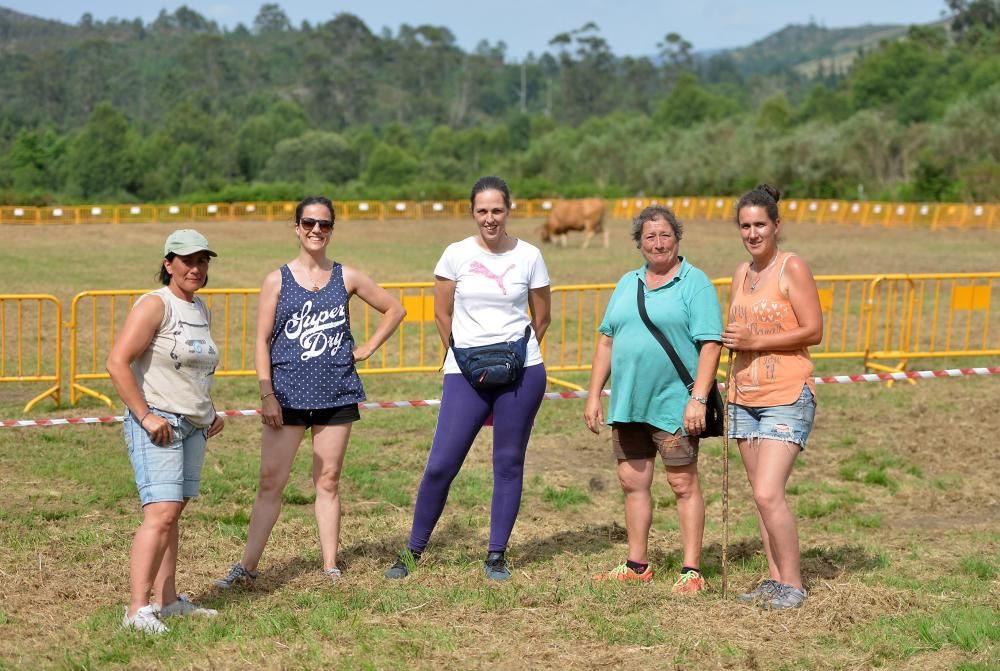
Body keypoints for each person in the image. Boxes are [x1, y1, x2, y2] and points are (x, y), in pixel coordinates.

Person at [215, 196, 405, 588]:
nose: (316, 230)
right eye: (308, 223)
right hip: (286, 397)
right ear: (296, 226)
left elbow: (395, 309)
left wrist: (368, 347)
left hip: (336, 392)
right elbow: (261, 340)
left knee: (329, 480)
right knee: (271, 481)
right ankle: (247, 567)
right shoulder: (277, 280)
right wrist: (267, 393)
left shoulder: (346, 276)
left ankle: (330, 565)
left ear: (332, 229)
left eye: (324, 224)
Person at [384, 175, 551, 581]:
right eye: (482, 211)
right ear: (472, 212)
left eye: (497, 210)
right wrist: (464, 354)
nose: (490, 219)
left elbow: (542, 316)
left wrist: (513, 357)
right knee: (441, 464)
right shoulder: (455, 254)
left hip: (521, 371)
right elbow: (442, 312)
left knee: (508, 463)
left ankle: (496, 555)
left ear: (508, 210)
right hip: (464, 371)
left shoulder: (529, 255)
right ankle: (412, 552)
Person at [584, 205, 722, 593]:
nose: (658, 243)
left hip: (674, 404)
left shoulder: (696, 283)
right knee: (632, 481)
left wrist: (698, 398)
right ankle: (637, 563)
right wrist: (594, 394)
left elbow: (711, 344)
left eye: (665, 235)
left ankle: (691, 569)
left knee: (682, 483)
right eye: (650, 237)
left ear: (677, 238)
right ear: (639, 243)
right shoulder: (628, 282)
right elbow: (607, 340)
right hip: (628, 403)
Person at [107, 229, 225, 634]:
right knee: (159, 515)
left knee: (172, 514)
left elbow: (193, 370)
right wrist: (144, 416)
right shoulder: (155, 305)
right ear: (167, 263)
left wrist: (209, 412)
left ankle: (169, 601)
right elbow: (117, 363)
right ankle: (138, 609)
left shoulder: (200, 307)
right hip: (158, 422)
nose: (195, 268)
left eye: (202, 260)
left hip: (193, 425)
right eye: (187, 260)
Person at [722, 184, 822, 610]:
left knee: (768, 492)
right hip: (744, 395)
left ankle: (794, 586)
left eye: (760, 224)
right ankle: (776, 579)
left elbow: (814, 331)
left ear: (776, 225)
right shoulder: (741, 274)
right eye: (745, 225)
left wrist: (755, 340)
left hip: (786, 394)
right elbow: (738, 331)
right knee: (760, 495)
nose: (752, 232)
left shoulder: (791, 267)